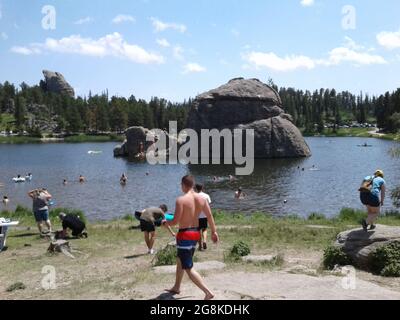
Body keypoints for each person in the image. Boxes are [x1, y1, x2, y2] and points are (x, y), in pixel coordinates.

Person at [164, 175, 219, 300]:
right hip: (195, 233)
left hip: (184, 234)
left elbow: (175, 221)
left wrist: (165, 223)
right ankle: (177, 287)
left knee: (188, 267)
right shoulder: (202, 199)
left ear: (183, 185)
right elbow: (209, 217)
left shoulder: (181, 200)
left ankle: (207, 292)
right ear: (192, 185)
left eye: (181, 185)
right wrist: (214, 232)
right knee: (180, 259)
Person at [194, 184, 211, 251]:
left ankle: (200, 246)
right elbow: (208, 205)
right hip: (204, 215)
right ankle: (204, 241)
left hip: (197, 216)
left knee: (198, 231)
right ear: (202, 188)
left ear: (196, 188)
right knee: (204, 229)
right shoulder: (206, 195)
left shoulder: (195, 196)